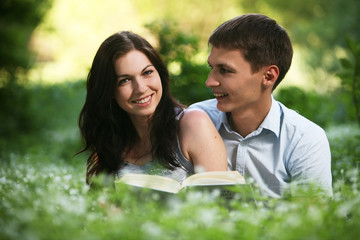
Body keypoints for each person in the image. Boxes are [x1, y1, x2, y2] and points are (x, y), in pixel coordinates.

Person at [189, 14, 332, 197]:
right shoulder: (195, 120)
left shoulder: (304, 140)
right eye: (212, 68)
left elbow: (314, 219)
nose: (210, 82)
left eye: (225, 70)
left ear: (268, 77)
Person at [78, 31, 227, 184]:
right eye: (125, 80)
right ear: (109, 90)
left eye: (147, 72)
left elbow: (220, 202)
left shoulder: (193, 124)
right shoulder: (111, 141)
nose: (141, 88)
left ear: (160, 74)